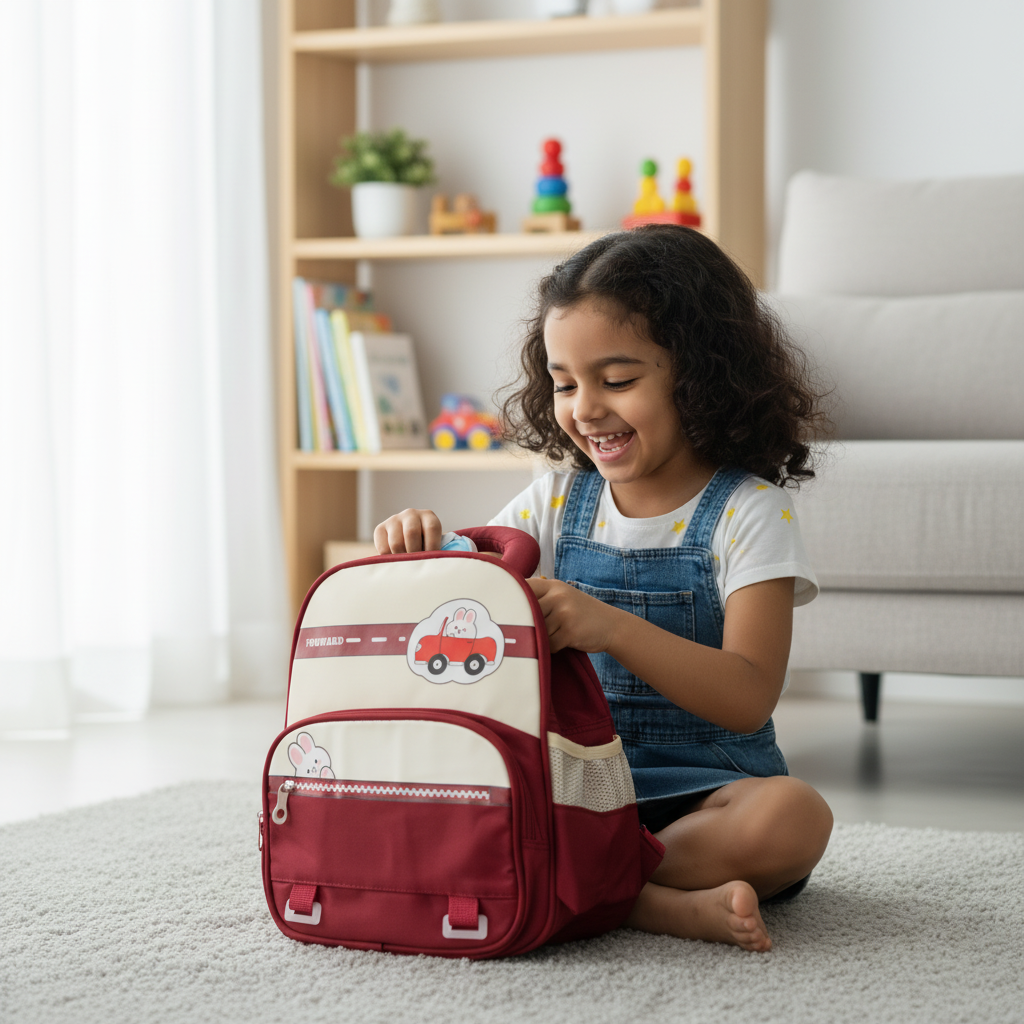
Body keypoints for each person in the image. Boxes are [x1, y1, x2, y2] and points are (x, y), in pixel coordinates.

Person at [374, 226, 834, 952]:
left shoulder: (749, 513)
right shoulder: (553, 503)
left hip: (705, 794)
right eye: (564, 383)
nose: (584, 408)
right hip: (571, 789)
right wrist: (421, 544)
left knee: (796, 817)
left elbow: (748, 696)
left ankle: (587, 889)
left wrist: (609, 625)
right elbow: (462, 589)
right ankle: (643, 901)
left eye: (617, 381)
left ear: (700, 375)